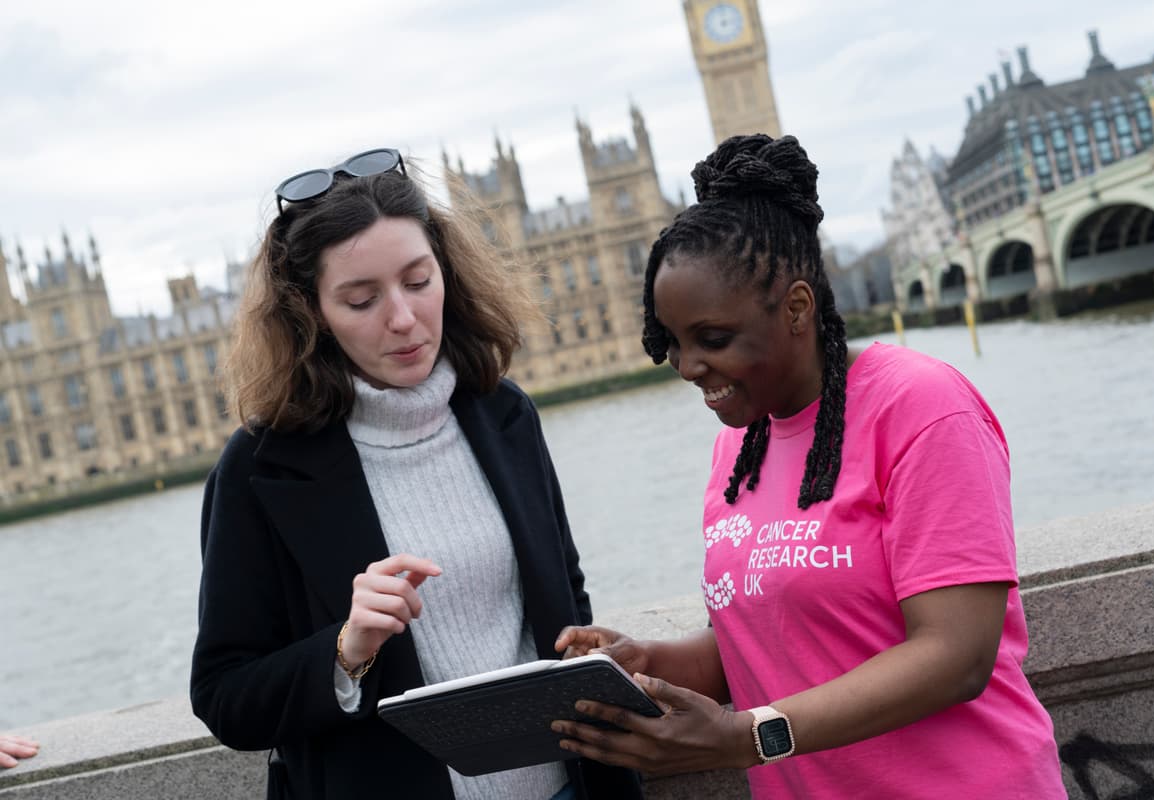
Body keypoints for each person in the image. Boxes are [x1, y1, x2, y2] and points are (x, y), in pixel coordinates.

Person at [552, 134, 1066, 799]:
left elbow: (957, 656)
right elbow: (760, 639)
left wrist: (748, 736)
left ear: (796, 308)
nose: (686, 366)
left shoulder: (922, 407)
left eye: (712, 339)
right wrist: (647, 664)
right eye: (671, 342)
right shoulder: (738, 445)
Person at [190, 148, 642, 800]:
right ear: (312, 313)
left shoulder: (503, 413)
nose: (402, 319)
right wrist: (346, 648)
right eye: (361, 298)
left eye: (417, 281)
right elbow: (225, 696)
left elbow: (567, 600)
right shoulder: (259, 471)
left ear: (447, 272)